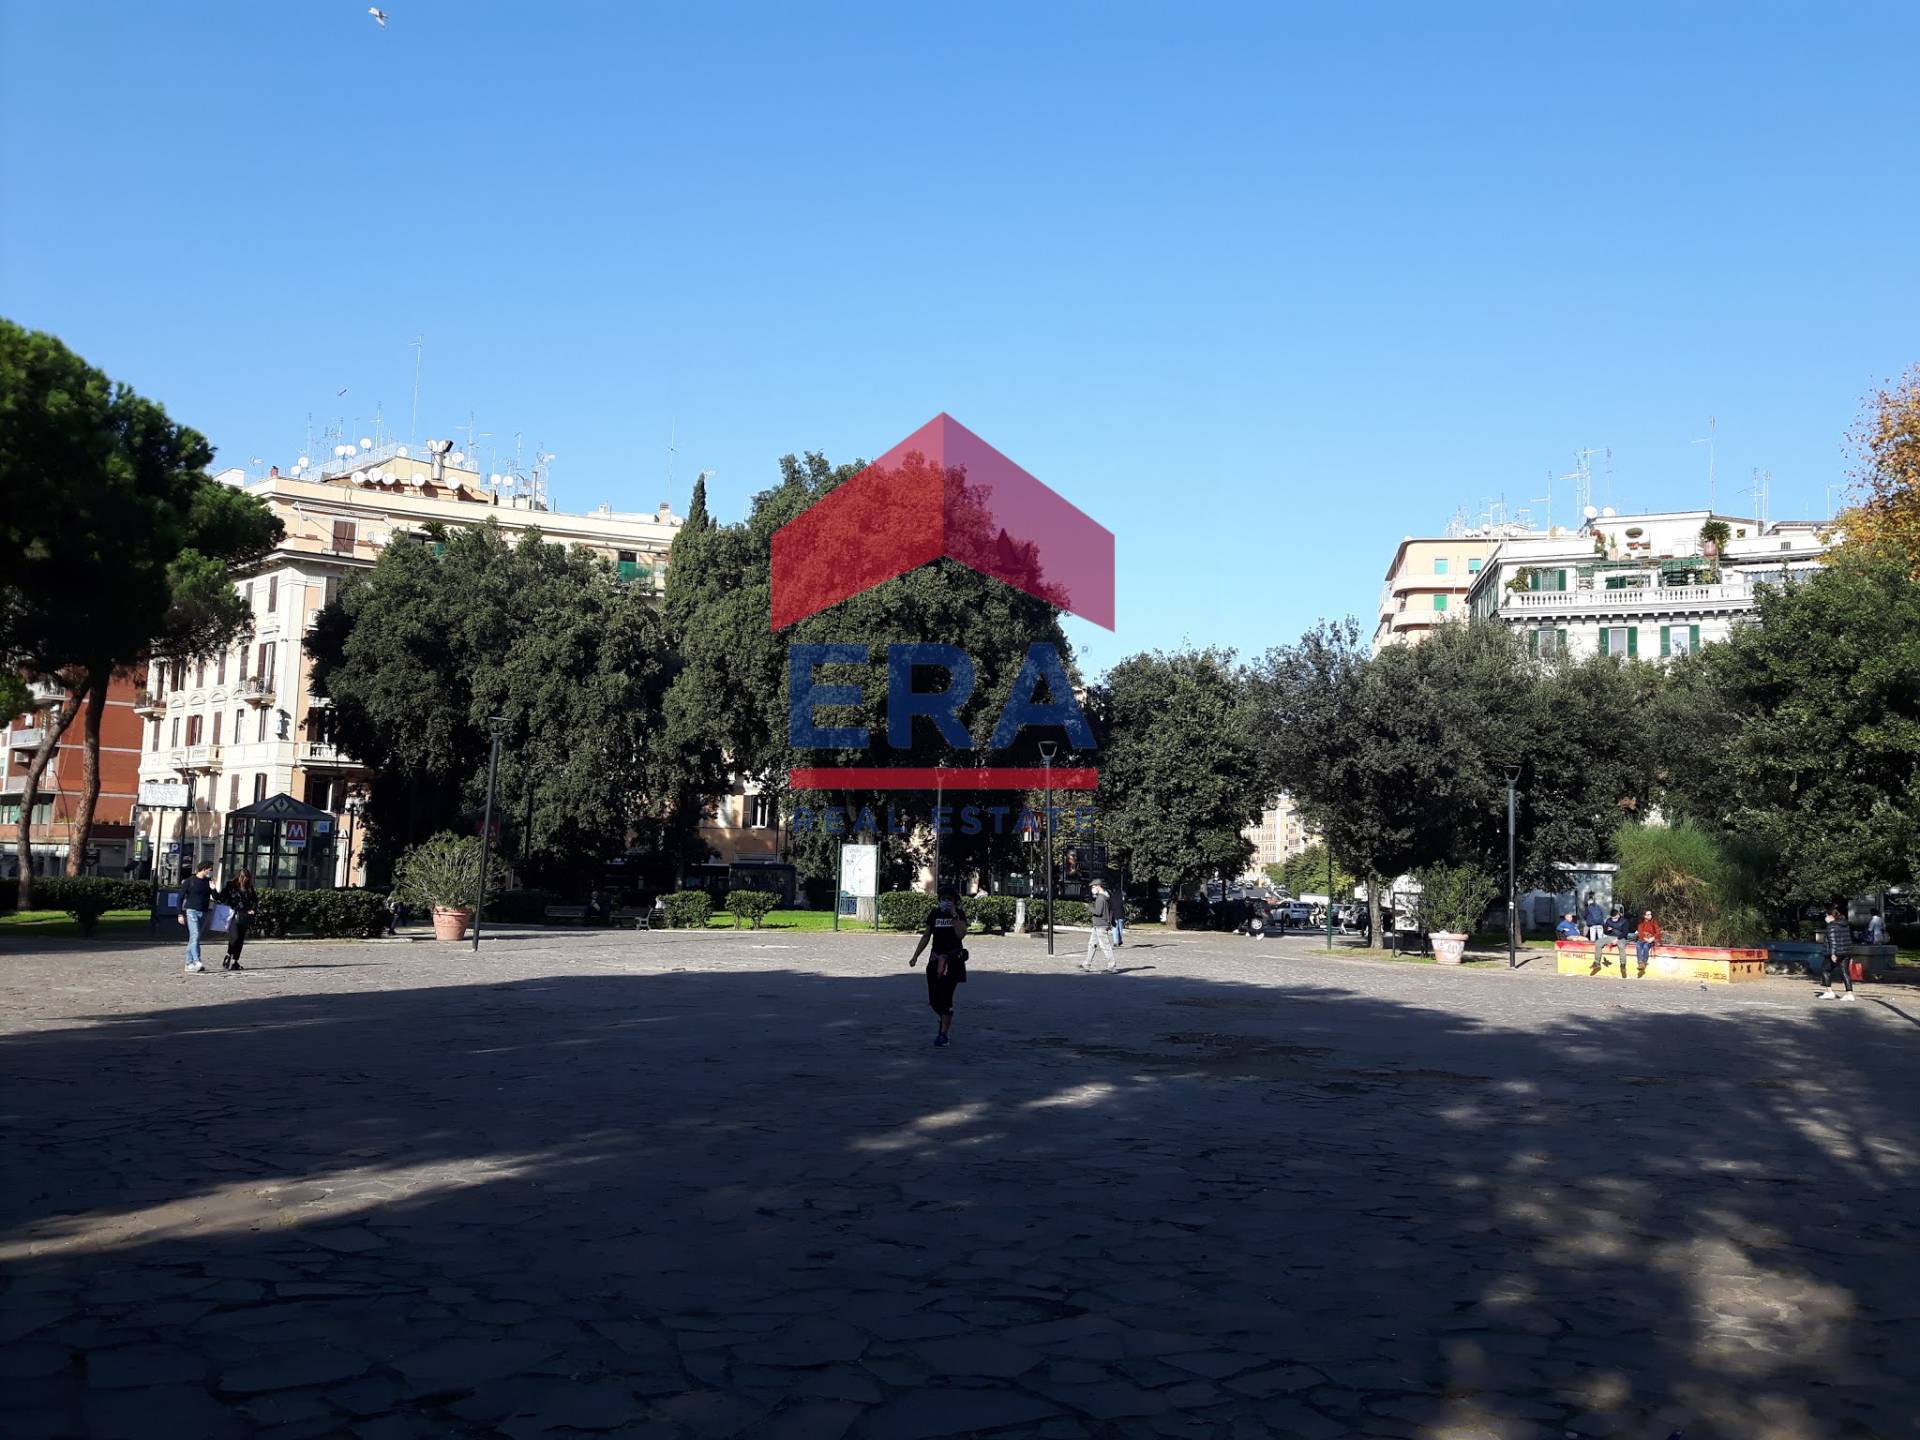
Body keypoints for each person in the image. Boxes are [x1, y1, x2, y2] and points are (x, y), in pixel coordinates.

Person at [908, 888, 969, 1047]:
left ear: (955, 901)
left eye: (949, 899)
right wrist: (915, 956)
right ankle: (944, 1016)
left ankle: (943, 1034)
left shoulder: (959, 914)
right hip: (935, 960)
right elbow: (926, 936)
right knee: (934, 1000)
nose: (946, 902)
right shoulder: (935, 914)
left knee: (946, 996)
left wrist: (954, 915)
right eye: (943, 899)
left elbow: (961, 934)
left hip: (953, 961)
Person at [178, 861, 216, 973]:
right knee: (195, 935)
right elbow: (180, 898)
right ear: (204, 869)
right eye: (210, 869)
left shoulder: (208, 882)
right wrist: (180, 914)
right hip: (192, 911)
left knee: (195, 938)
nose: (211, 872)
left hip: (203, 912)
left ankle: (188, 963)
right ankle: (197, 960)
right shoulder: (190, 881)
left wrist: (213, 889)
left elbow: (217, 897)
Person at [221, 869, 260, 971]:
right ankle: (229, 954)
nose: (245, 880)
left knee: (241, 939)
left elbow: (255, 900)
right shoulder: (231, 885)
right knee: (235, 937)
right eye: (243, 877)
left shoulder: (249, 887)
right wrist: (213, 890)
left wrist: (253, 909)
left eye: (247, 878)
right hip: (234, 914)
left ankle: (235, 961)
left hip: (245, 916)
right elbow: (221, 897)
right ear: (239, 877)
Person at [1817, 907, 1857, 1002]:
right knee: (1844, 972)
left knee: (1825, 970)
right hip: (1846, 952)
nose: (1825, 917)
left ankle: (1829, 991)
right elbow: (1849, 939)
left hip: (1835, 952)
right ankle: (1849, 993)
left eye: (1826, 915)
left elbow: (1833, 941)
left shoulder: (1831, 926)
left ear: (1831, 916)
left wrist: (1833, 953)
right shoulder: (1845, 925)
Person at [1082, 879, 1117, 974]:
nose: (1092, 889)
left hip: (1100, 925)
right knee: (1092, 945)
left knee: (1105, 946)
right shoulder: (1105, 897)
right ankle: (1086, 964)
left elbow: (1098, 912)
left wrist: (1088, 907)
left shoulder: (1100, 898)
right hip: (1099, 925)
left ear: (1098, 886)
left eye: (1093, 887)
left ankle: (1112, 966)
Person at [1592, 904, 1631, 977]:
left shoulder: (1624, 921)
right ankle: (1597, 962)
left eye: (1615, 918)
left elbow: (1625, 933)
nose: (1613, 920)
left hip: (1621, 937)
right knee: (1598, 943)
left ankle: (1623, 965)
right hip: (1610, 936)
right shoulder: (1609, 920)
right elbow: (1605, 932)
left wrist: (1617, 939)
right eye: (1612, 918)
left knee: (1621, 946)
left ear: (1618, 915)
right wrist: (1608, 930)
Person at [1633, 909, 1661, 978]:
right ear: (1644, 916)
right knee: (1638, 945)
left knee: (1645, 946)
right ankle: (1640, 963)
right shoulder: (1641, 923)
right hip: (1643, 939)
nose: (1650, 916)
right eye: (1648, 915)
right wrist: (1645, 939)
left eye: (1650, 914)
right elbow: (1640, 932)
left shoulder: (1654, 922)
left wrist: (1652, 939)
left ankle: (1644, 962)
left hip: (1651, 940)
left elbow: (1658, 932)